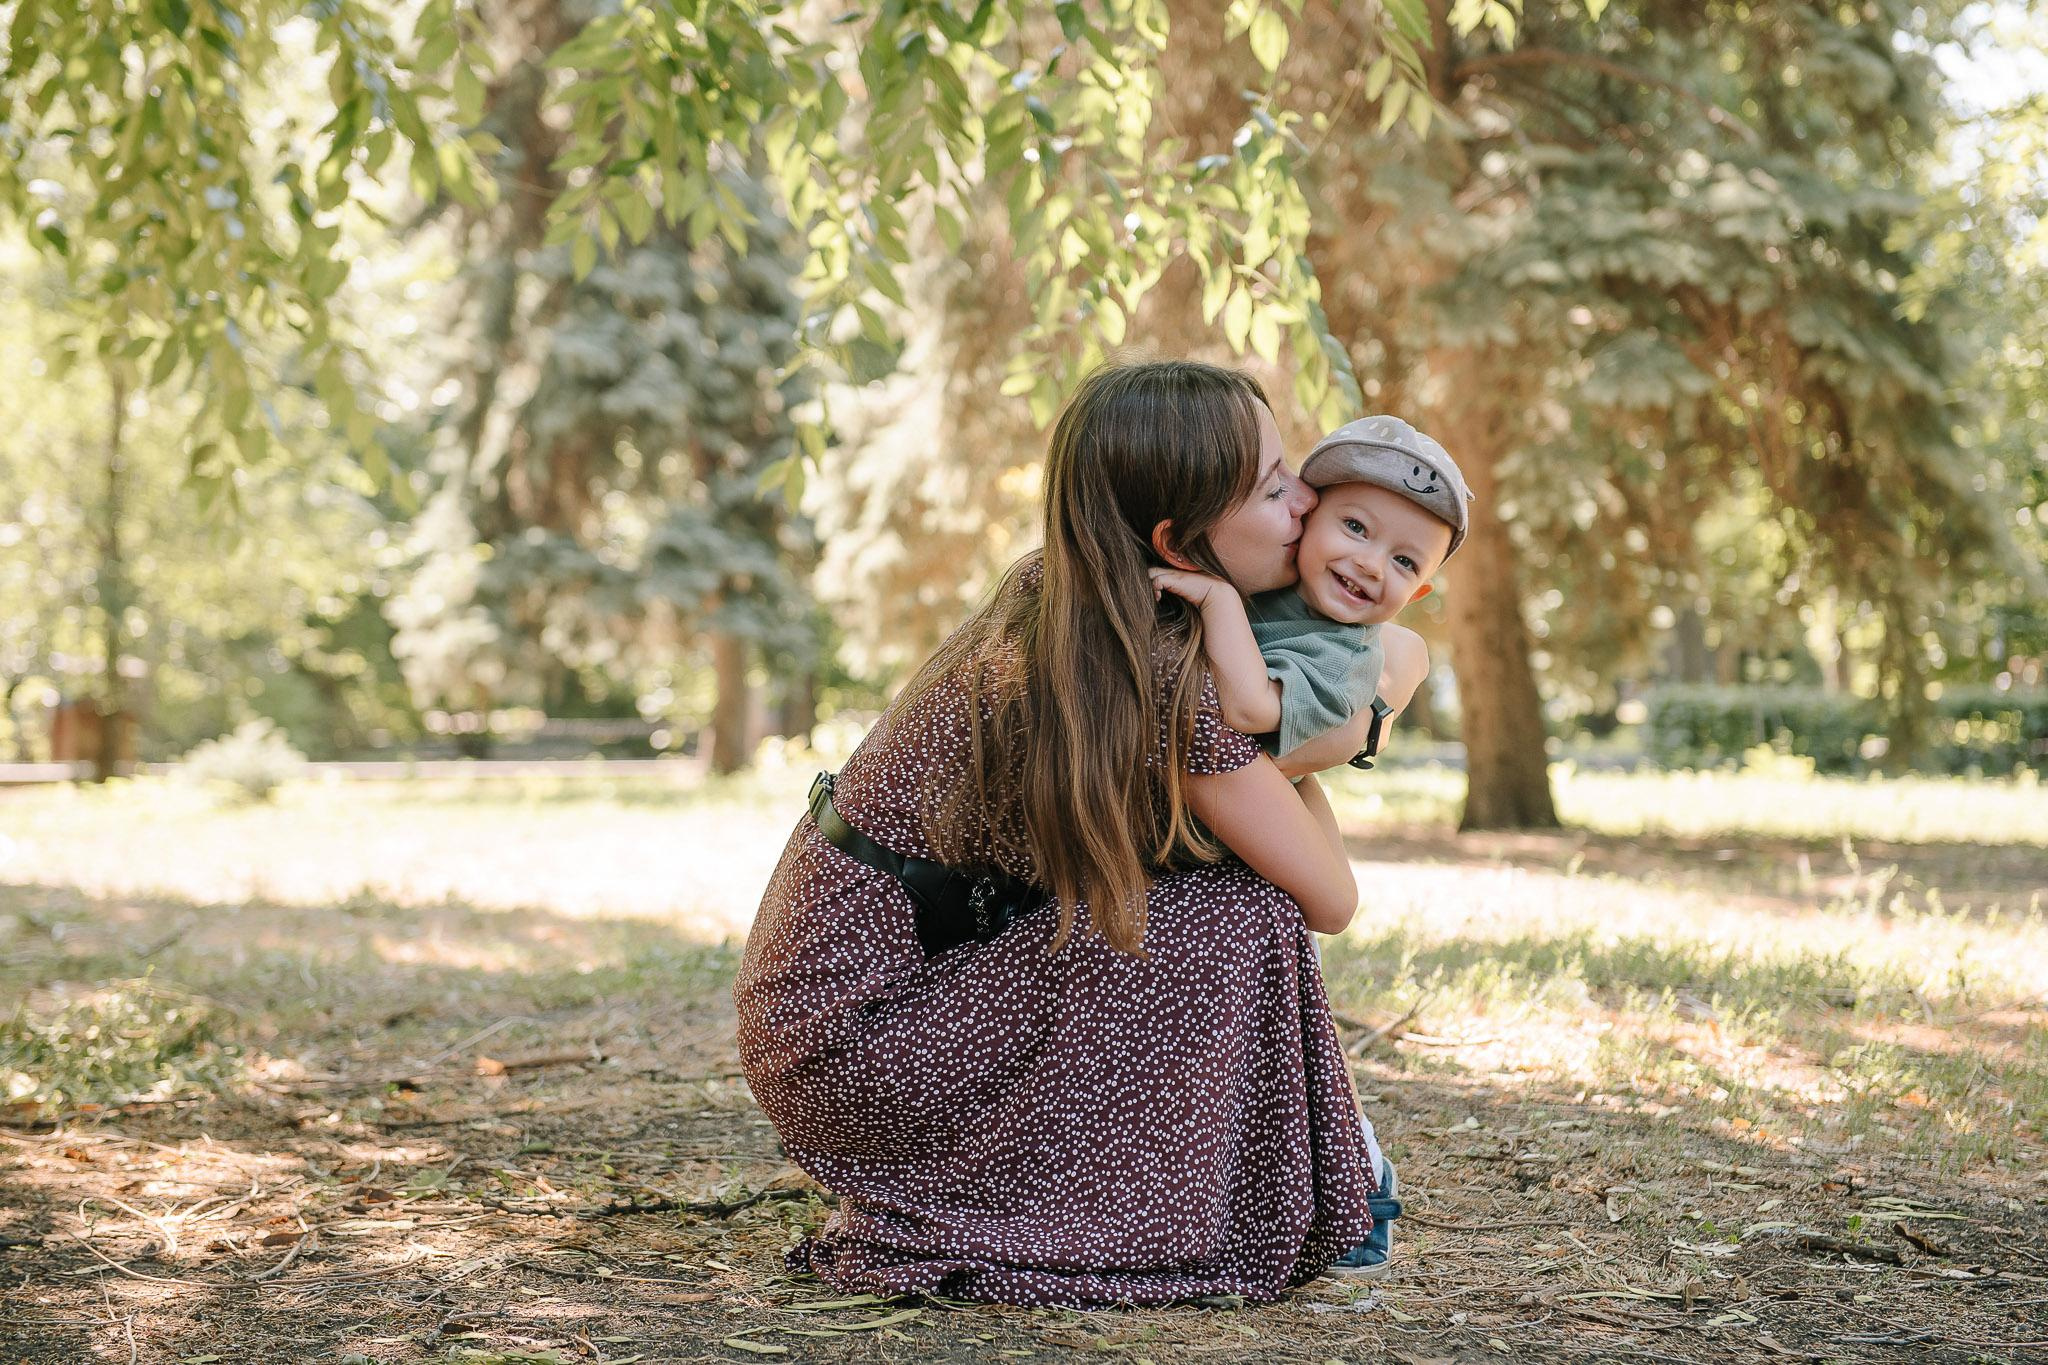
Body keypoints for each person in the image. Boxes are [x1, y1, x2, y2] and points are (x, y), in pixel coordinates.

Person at [732, 360, 1426, 1307]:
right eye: (1272, 486)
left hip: (840, 1018)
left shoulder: (1069, 599)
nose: (1307, 497)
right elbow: (1329, 897)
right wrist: (1363, 712)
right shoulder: (1159, 683)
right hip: (861, 1049)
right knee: (1239, 911)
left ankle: (1287, 1171)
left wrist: (1323, 717)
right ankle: (1277, 1186)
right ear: (1179, 543)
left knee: (1192, 895)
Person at [1149, 415, 1472, 769]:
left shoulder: (1343, 661)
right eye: (1355, 527)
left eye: (1405, 562)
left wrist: (1218, 600)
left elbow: (1250, 710)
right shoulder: (1265, 579)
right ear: (1307, 518)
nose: (1372, 565)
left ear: (1414, 595)